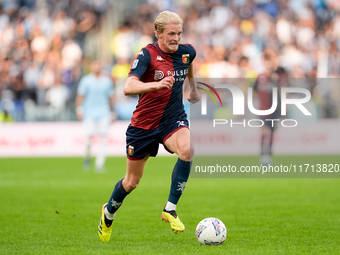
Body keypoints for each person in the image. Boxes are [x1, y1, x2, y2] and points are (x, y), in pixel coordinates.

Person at [97, 11, 200, 242]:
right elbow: (128, 86)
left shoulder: (187, 51)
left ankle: (170, 208)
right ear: (159, 33)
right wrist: (156, 85)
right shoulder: (147, 54)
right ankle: (108, 212)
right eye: (171, 34)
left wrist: (192, 88)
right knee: (131, 182)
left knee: (188, 150)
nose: (176, 38)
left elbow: (189, 63)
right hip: (144, 126)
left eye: (179, 33)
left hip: (173, 119)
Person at [76, 60, 114, 171]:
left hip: (104, 113)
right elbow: (80, 96)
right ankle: (87, 158)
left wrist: (112, 112)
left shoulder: (106, 81)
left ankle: (99, 164)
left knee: (103, 139)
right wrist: (79, 109)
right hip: (89, 113)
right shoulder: (86, 80)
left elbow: (111, 97)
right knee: (89, 139)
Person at [253, 49, 287, 166]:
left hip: (275, 110)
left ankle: (269, 156)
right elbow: (254, 92)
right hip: (263, 109)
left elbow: (283, 91)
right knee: (265, 132)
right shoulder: (260, 77)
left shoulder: (278, 75)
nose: (269, 63)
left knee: (271, 133)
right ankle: (263, 156)